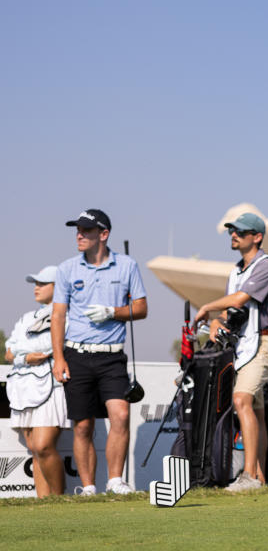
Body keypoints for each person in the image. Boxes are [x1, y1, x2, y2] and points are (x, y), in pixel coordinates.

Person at [51, 209, 148, 496]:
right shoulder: (67, 269)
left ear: (103, 235)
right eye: (78, 230)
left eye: (86, 230)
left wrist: (113, 312)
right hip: (77, 355)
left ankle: (115, 481)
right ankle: (90, 487)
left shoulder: (127, 266)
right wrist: (58, 358)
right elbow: (58, 317)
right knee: (82, 425)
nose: (79, 235)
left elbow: (141, 308)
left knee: (120, 415)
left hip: (111, 356)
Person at [193, 212, 268, 492]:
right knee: (255, 411)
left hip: (263, 344)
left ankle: (248, 477)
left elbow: (241, 299)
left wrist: (207, 307)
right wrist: (216, 322)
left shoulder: (266, 265)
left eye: (240, 232)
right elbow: (227, 310)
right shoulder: (236, 271)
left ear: (257, 237)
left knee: (241, 400)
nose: (234, 235)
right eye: (232, 231)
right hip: (243, 347)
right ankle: (259, 476)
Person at [5, 265, 72, 497]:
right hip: (23, 388)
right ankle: (43, 504)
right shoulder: (25, 318)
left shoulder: (67, 315)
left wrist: (24, 350)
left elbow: (49, 348)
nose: (36, 288)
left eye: (43, 283)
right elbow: (9, 352)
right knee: (34, 449)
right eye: (36, 283)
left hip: (50, 387)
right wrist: (25, 355)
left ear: (58, 287)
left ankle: (57, 500)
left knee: (43, 445)